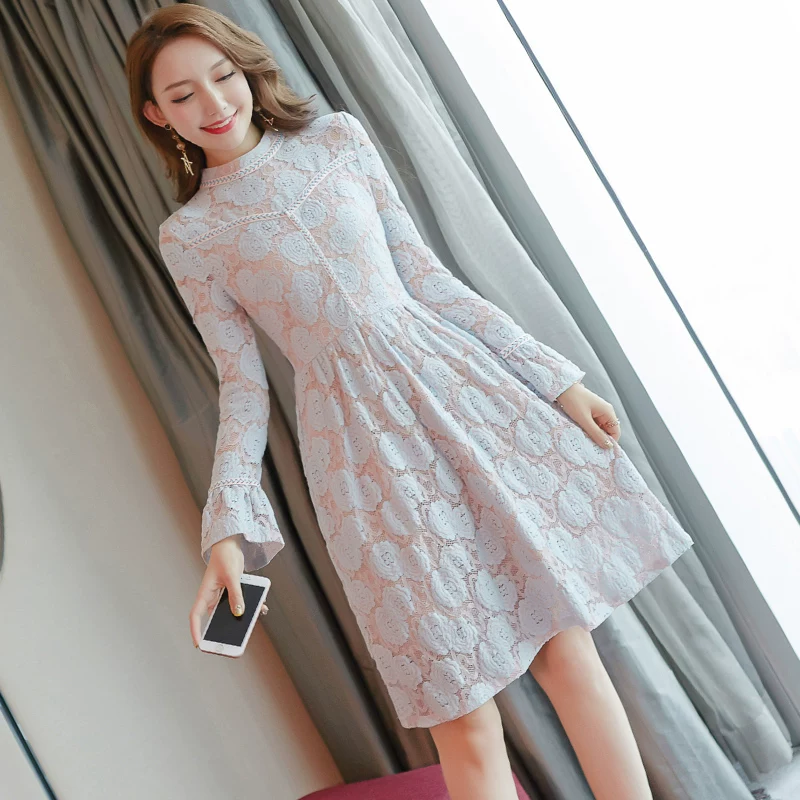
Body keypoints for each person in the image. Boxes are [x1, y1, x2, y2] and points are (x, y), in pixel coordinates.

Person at [127, 6, 694, 799]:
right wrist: (226, 528)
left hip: (458, 399)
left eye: (222, 76)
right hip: (360, 461)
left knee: (566, 651)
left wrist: (556, 380)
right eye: (183, 95)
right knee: (461, 715)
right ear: (158, 115)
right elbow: (242, 385)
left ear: (247, 70)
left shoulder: (337, 142)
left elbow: (428, 280)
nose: (213, 103)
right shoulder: (191, 236)